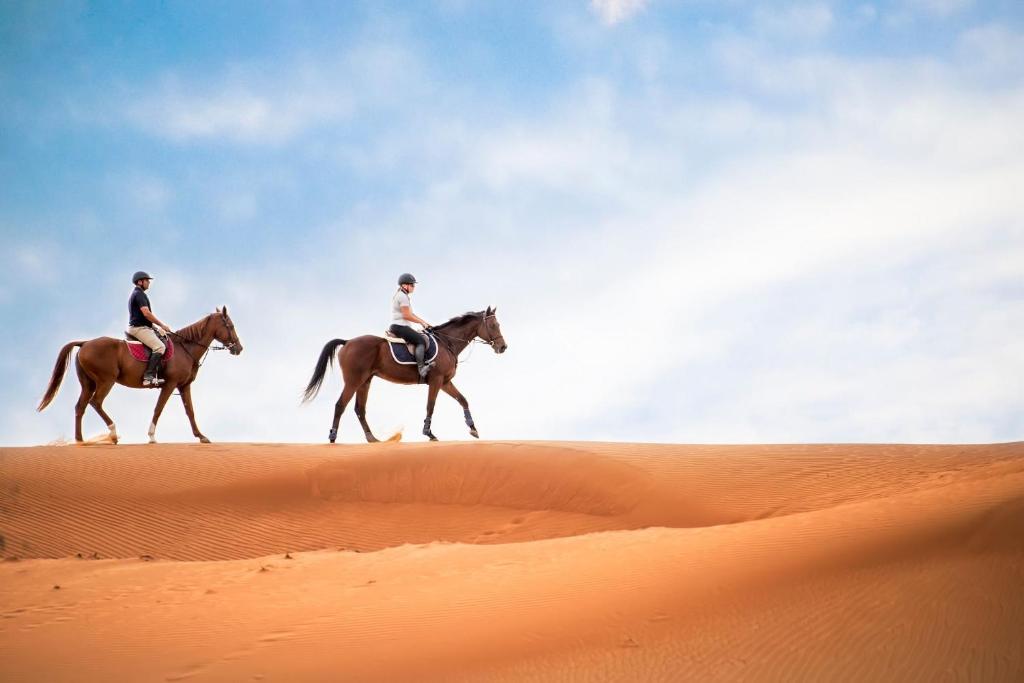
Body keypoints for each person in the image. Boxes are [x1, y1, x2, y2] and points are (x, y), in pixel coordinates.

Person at [128, 271, 173, 387]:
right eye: (147, 280)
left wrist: (156, 328)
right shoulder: (139, 294)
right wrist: (161, 325)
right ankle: (148, 376)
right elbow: (146, 314)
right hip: (138, 329)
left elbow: (144, 317)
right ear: (140, 282)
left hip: (144, 326)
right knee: (159, 347)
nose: (148, 283)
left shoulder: (139, 294)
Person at [389, 273, 433, 379]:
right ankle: (421, 369)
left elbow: (412, 314)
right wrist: (421, 323)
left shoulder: (403, 296)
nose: (414, 287)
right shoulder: (402, 297)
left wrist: (424, 322)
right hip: (400, 326)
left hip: (401, 326)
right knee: (420, 340)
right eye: (412, 285)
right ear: (405, 285)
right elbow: (407, 315)